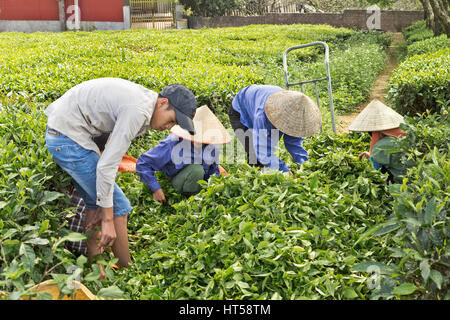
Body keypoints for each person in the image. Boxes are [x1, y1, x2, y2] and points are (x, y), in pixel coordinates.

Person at [44, 77, 197, 267]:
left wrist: (104, 204)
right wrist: (109, 219)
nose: (170, 127)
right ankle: (128, 271)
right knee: (120, 208)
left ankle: (96, 272)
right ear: (163, 102)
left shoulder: (145, 105)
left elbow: (106, 139)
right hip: (68, 139)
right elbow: (106, 166)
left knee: (96, 206)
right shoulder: (138, 111)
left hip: (65, 134)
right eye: (172, 120)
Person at [136, 105, 231, 202]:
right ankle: (188, 200)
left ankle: (200, 197)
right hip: (174, 182)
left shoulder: (212, 147)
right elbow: (143, 163)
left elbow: (213, 171)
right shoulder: (173, 143)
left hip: (198, 183)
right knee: (196, 170)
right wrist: (156, 188)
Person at [227, 84, 322, 174]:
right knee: (254, 154)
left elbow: (294, 143)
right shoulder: (263, 115)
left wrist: (303, 166)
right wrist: (283, 170)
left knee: (265, 157)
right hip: (240, 109)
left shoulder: (294, 111)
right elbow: (262, 150)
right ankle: (255, 181)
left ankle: (266, 173)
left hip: (256, 100)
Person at [348, 99, 411, 184]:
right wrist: (371, 155)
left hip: (403, 184)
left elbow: (374, 172)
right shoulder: (408, 135)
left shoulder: (380, 147)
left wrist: (372, 158)